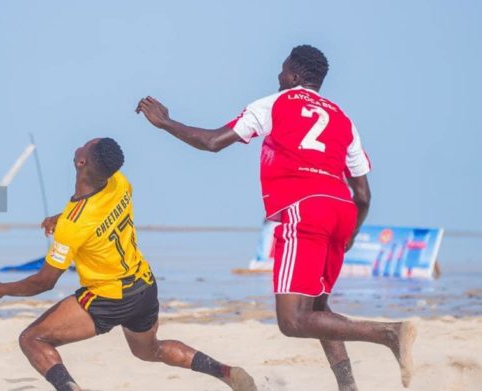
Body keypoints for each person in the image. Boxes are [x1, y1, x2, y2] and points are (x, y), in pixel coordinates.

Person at [136, 45, 417, 390]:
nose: (278, 76)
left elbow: (212, 142)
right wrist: (350, 234)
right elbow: (363, 195)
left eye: (282, 71)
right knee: (317, 308)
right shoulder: (344, 118)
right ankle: (348, 386)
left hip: (305, 210)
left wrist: (165, 123)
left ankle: (389, 333)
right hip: (341, 211)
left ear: (295, 76)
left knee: (292, 321)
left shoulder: (275, 103)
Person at [0, 138, 257, 391]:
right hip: (144, 286)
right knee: (150, 351)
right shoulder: (119, 182)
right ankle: (225, 372)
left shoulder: (73, 224)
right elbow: (95, 211)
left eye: (86, 144)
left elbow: (44, 282)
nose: (82, 143)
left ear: (81, 161)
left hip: (109, 296)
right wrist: (62, 217)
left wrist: (3, 288)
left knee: (32, 339)